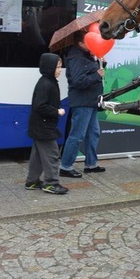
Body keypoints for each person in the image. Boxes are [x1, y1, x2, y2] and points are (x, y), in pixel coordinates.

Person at [59, 30, 106, 177]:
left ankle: (91, 164)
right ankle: (65, 167)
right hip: (82, 102)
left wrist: (102, 63)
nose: (93, 44)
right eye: (89, 42)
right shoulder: (76, 58)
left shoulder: (87, 55)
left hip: (91, 101)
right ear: (80, 43)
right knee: (77, 135)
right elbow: (78, 81)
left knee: (93, 133)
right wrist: (96, 76)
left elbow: (91, 72)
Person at [25, 53, 69, 195]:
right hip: (44, 126)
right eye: (57, 67)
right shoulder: (46, 83)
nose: (60, 70)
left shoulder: (47, 81)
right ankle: (51, 183)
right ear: (49, 67)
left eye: (60, 66)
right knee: (52, 154)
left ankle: (32, 181)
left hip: (40, 125)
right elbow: (40, 106)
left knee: (37, 156)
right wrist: (57, 111)